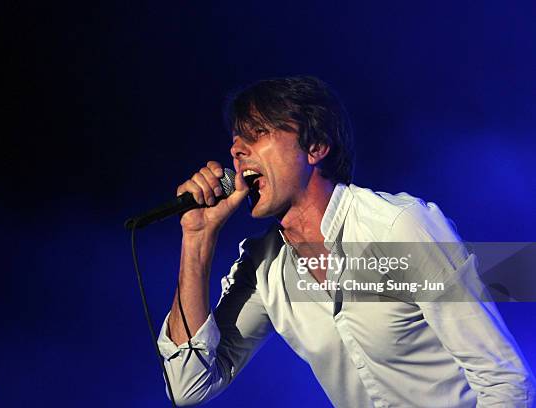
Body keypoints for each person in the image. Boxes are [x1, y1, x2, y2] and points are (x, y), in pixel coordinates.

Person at [156, 76, 535, 407]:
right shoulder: (264, 269)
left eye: (258, 133)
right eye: (236, 141)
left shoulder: (398, 230)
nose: (237, 151)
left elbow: (504, 381)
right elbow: (189, 387)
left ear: (316, 146)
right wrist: (197, 239)